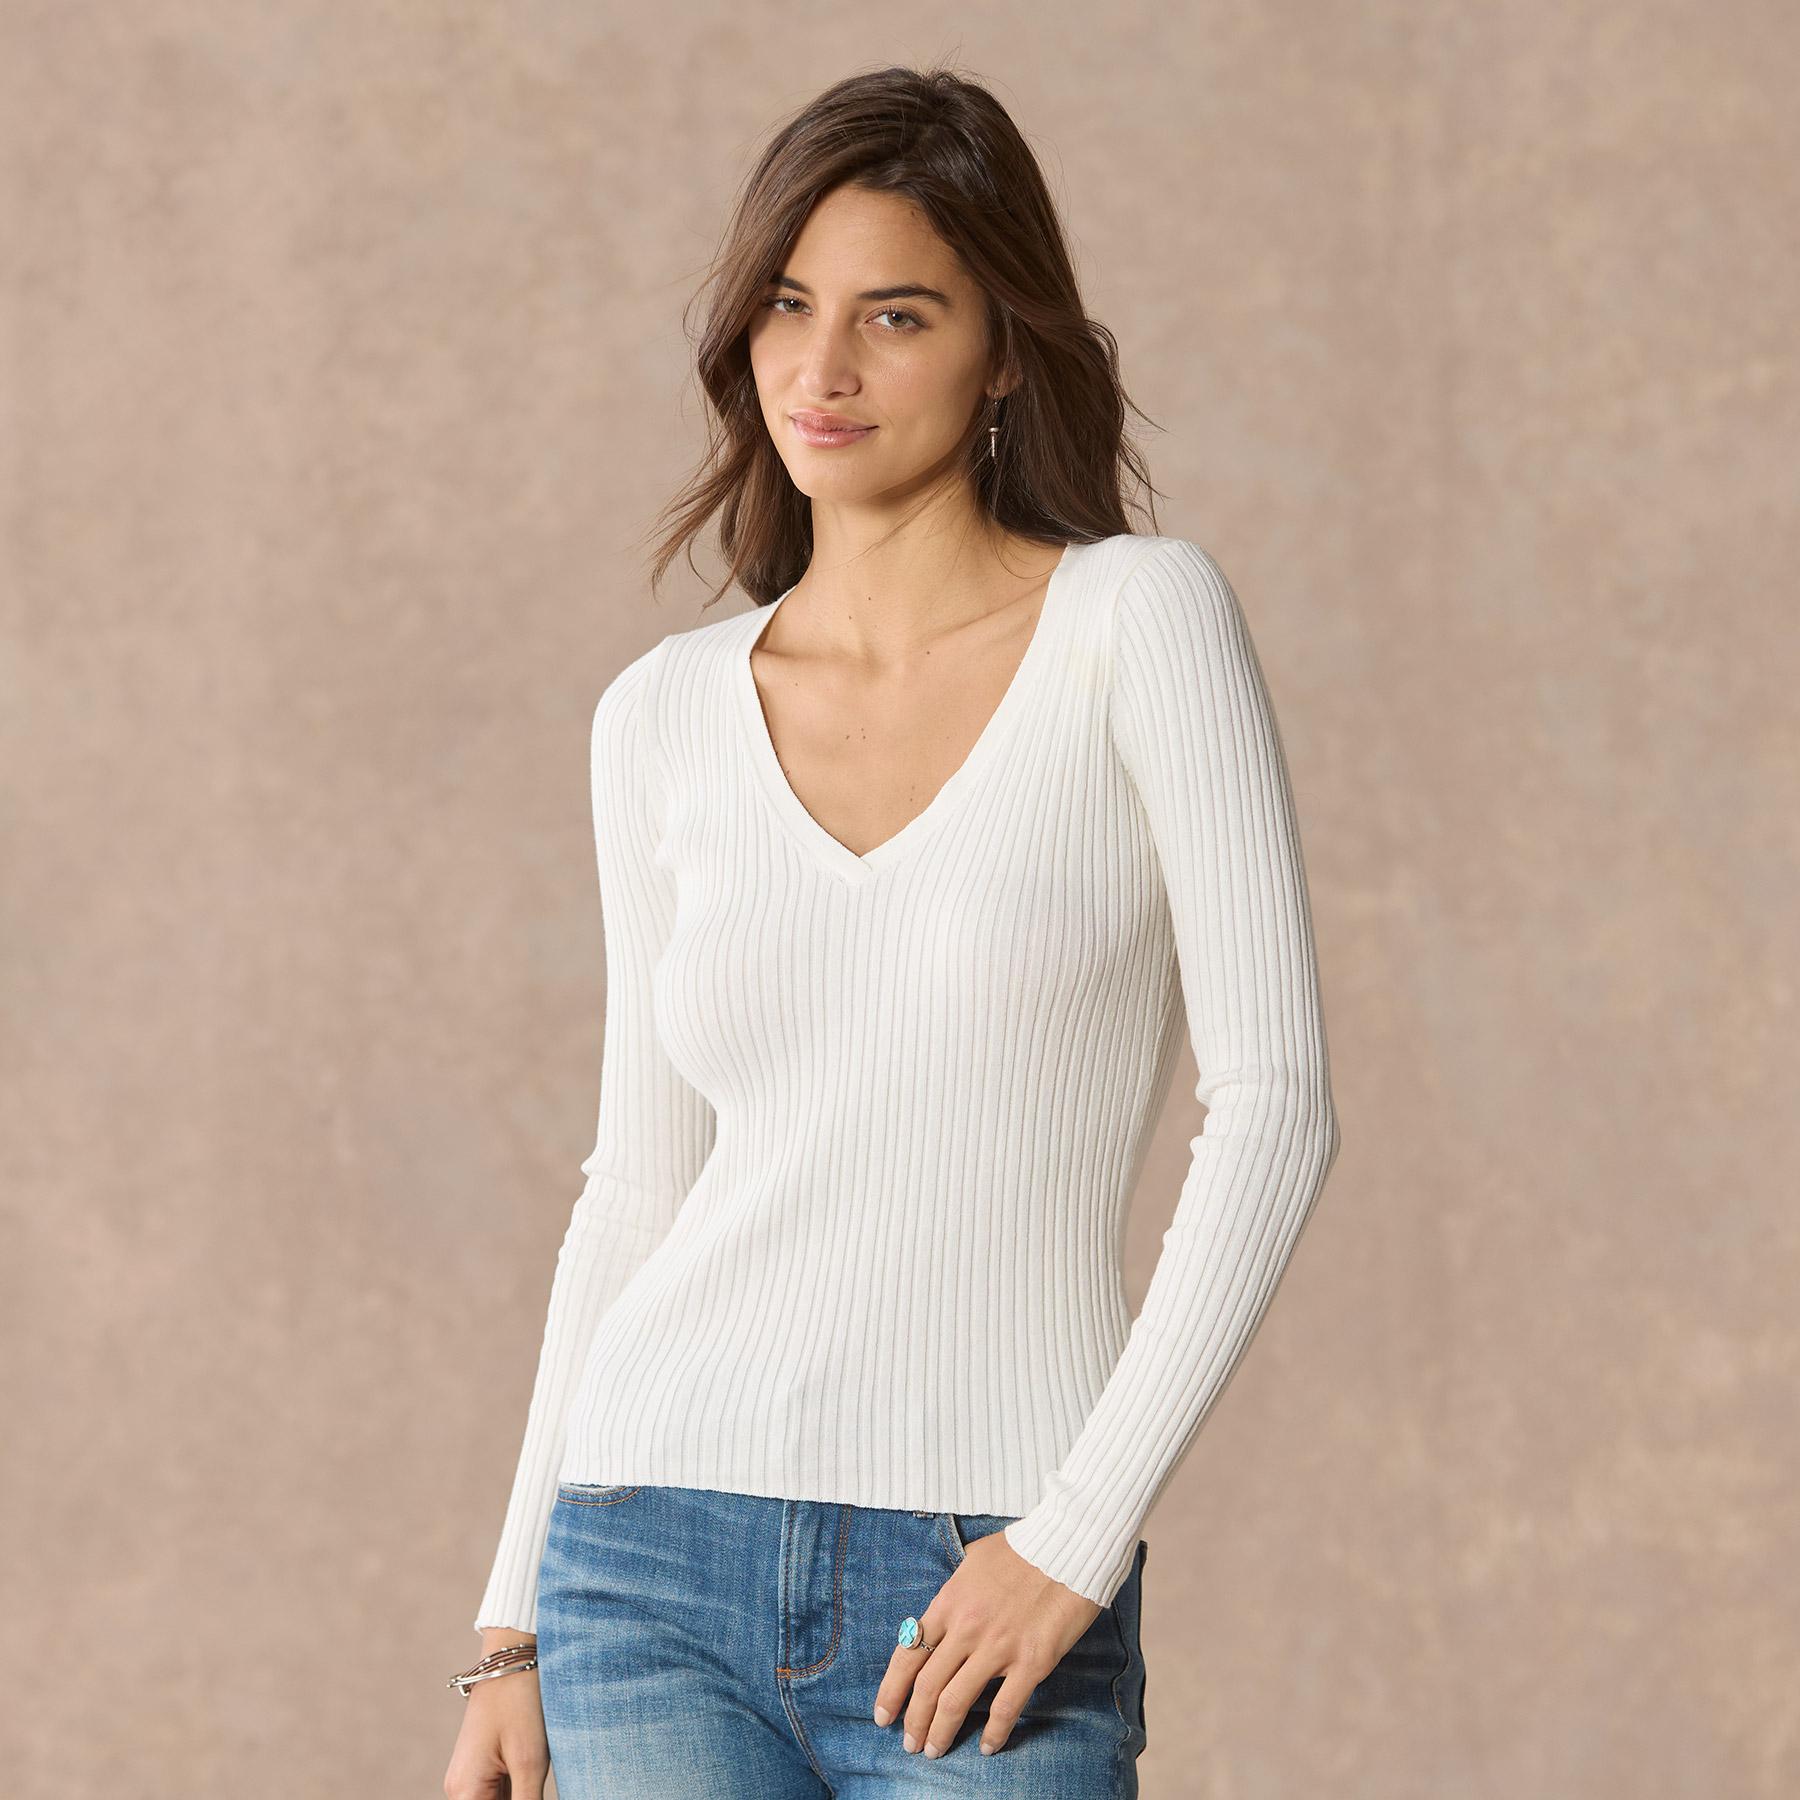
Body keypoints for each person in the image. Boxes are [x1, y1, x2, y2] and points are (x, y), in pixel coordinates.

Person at [444, 62, 1340, 1800]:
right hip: (643, 1563)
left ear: (1005, 350)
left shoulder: (1139, 624)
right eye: (787, 305)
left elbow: (1277, 1108)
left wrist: (1074, 1535)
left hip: (988, 1562)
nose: (823, 368)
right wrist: (514, 1619)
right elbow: (637, 1183)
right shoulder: (661, 712)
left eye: (896, 314)